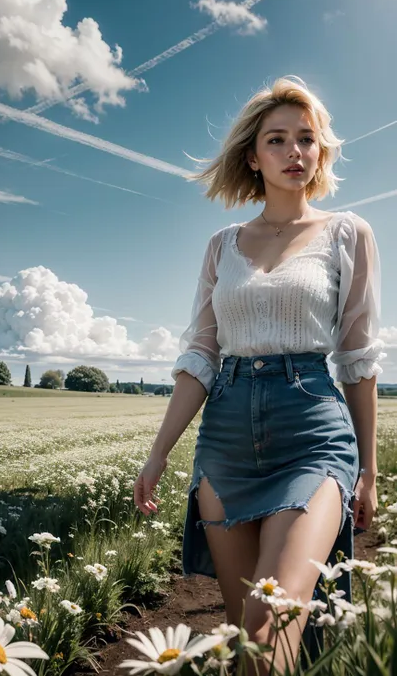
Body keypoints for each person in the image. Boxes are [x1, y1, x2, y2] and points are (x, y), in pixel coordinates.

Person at [133, 75, 386, 674]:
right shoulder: (222, 244)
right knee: (246, 635)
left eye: (307, 139)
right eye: (278, 140)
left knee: (268, 626)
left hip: (312, 433)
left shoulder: (349, 233)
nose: (295, 151)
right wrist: (159, 453)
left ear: (321, 152)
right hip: (225, 441)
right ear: (253, 155)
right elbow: (201, 353)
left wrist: (369, 470)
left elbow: (357, 356)